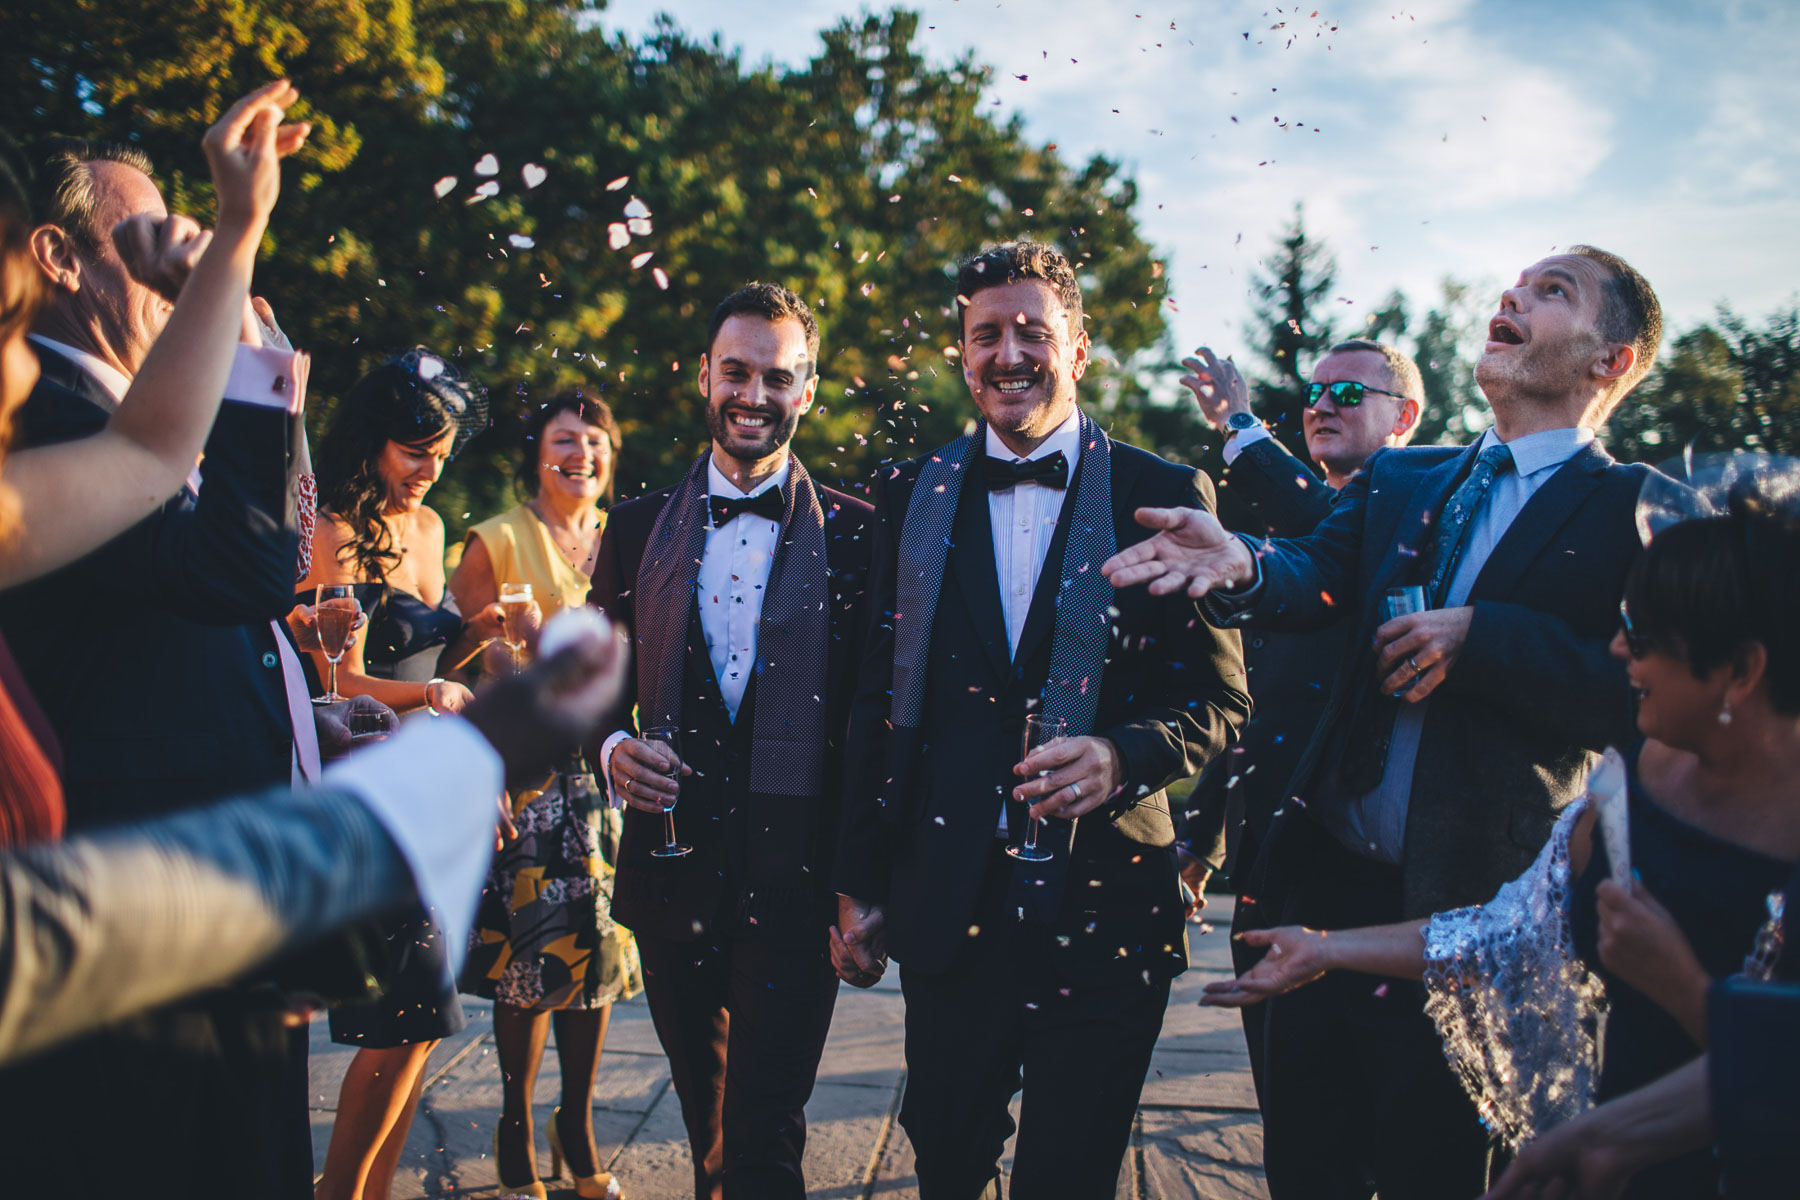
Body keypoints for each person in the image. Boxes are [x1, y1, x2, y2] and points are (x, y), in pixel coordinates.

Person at [1104, 245, 1664, 1197]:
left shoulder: (1633, 510)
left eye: (1552, 292)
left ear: (1610, 360)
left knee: (1432, 1172)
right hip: (1316, 887)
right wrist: (1241, 562)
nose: (1513, 295)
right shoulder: (1411, 480)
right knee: (1306, 1166)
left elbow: (1643, 700)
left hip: (1469, 918)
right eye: (1517, 284)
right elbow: (1316, 572)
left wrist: (1488, 637)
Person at [1202, 479, 1800, 1200]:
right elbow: (1505, 934)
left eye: (1639, 638)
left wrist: (1684, 990)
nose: (1616, 650)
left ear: (1741, 672)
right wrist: (1326, 948)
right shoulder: (1627, 787)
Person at [833, 242, 1250, 1197]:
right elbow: (872, 696)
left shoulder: (1166, 495)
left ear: (1081, 349)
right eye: (987, 335)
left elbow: (1222, 700)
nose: (1009, 353)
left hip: (1108, 902)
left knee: (1072, 1175)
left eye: (1034, 332)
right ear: (962, 353)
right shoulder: (913, 492)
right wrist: (856, 878)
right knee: (945, 1161)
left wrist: (1121, 752)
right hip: (948, 900)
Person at [0, 105, 337, 1197]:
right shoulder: (48, 418)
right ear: (52, 257)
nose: (174, 257)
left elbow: (246, 580)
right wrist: (232, 290)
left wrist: (299, 717)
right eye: (147, 237)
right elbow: (234, 571)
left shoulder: (142, 426)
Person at [590, 283, 873, 1200]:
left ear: (810, 391)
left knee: (763, 1141)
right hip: (673, 873)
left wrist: (862, 885)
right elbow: (591, 687)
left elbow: (875, 725)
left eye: (778, 376)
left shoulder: (862, 537)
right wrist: (609, 750)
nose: (754, 394)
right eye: (738, 371)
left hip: (796, 889)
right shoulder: (633, 529)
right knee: (706, 1122)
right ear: (703, 376)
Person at [1175, 340, 1424, 1103]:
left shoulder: (1417, 516)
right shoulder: (1293, 544)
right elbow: (1252, 707)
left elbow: (1340, 541)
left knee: (1385, 1117)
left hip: (1373, 876)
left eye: (1349, 392)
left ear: (1405, 417)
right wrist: (1205, 844)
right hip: (1271, 862)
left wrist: (1241, 429)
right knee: (1291, 1107)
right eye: (1314, 393)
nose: (1321, 405)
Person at [304, 349, 488, 1200]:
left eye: (441, 453)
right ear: (375, 439)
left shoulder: (434, 526)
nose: (429, 469)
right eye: (415, 449)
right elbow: (329, 683)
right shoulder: (334, 528)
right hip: (368, 795)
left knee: (422, 1028)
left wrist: (479, 637)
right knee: (398, 1020)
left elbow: (433, 651)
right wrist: (430, 691)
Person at [451, 391, 639, 1199]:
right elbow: (450, 662)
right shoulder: (495, 539)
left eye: (595, 444)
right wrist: (497, 648)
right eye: (566, 441)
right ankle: (517, 1122)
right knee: (529, 963)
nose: (581, 456)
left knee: (595, 952)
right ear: (538, 454)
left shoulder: (625, 537)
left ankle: (580, 1122)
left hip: (601, 774)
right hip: (524, 776)